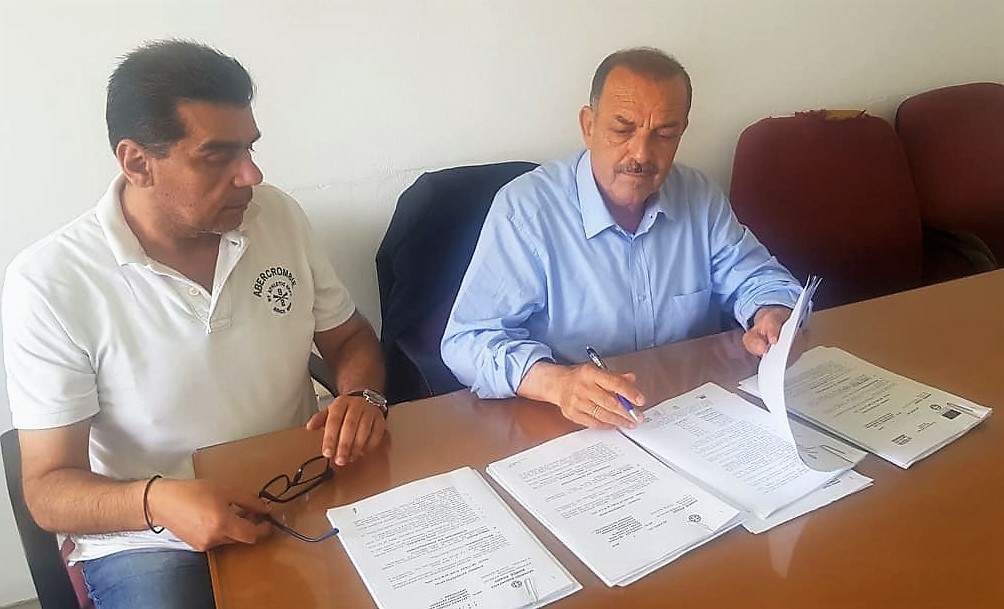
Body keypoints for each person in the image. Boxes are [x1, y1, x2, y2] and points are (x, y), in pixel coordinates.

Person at [1, 40, 387, 609]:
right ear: (137, 163)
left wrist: (362, 395)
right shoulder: (50, 281)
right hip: (153, 537)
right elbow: (48, 489)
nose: (251, 174)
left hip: (301, 484)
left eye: (250, 148)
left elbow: (349, 338)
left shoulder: (276, 215)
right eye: (217, 156)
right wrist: (159, 501)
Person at [441, 47, 801, 430]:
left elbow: (761, 280)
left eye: (664, 134)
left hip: (689, 415)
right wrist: (557, 383)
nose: (641, 154)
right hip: (567, 424)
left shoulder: (699, 197)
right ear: (588, 125)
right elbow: (468, 340)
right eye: (622, 129)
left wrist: (770, 314)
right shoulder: (527, 211)